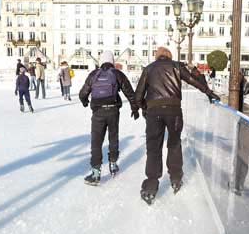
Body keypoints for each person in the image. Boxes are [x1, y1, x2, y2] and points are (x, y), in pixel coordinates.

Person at [134, 46, 220, 204]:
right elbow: (194, 81)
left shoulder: (149, 69)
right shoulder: (177, 66)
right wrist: (208, 92)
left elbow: (138, 95)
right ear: (169, 56)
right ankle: (175, 178)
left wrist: (144, 108)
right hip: (174, 111)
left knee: (154, 148)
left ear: (157, 56)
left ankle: (151, 186)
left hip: (154, 113)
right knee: (174, 144)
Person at [79, 51, 139, 185]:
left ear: (101, 61)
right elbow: (129, 92)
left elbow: (82, 93)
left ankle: (95, 173)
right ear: (112, 61)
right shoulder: (117, 74)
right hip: (113, 111)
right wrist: (134, 108)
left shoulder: (94, 74)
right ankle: (113, 164)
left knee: (96, 141)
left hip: (98, 112)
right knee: (113, 137)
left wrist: (85, 102)